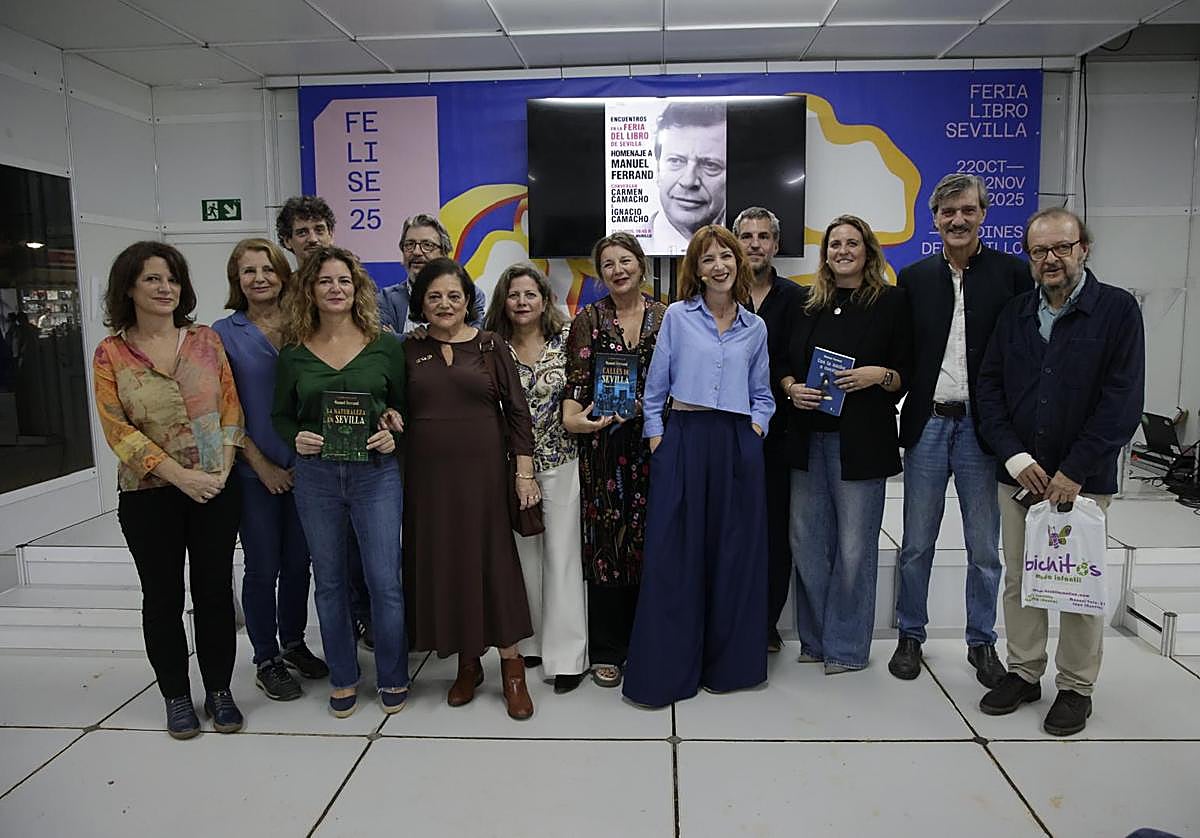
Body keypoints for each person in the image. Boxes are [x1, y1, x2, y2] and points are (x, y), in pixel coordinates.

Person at [976, 208, 1144, 736]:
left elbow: (1122, 402)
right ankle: (1024, 672)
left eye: (1061, 248)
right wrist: (1016, 458)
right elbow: (990, 390)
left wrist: (1075, 469)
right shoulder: (1016, 313)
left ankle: (1075, 687)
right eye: (1038, 251)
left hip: (1083, 483)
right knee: (1021, 580)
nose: (1049, 259)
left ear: (1083, 249)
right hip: (1021, 478)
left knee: (1077, 585)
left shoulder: (1116, 311)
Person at [92, 241, 245, 739]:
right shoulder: (111, 352)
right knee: (162, 597)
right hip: (148, 495)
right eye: (153, 279)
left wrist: (220, 471)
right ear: (129, 288)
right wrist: (182, 477)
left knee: (215, 593)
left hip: (215, 489)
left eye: (173, 279)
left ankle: (219, 690)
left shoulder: (204, 340)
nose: (165, 288)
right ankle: (176, 696)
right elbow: (118, 430)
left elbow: (229, 408)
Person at [890, 173, 1032, 688]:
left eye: (967, 210)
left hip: (983, 429)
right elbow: (901, 350)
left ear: (982, 215)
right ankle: (910, 635)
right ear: (934, 219)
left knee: (984, 547)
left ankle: (982, 642)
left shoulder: (1013, 274)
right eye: (948, 212)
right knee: (916, 543)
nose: (958, 220)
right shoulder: (914, 278)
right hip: (928, 422)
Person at [623, 224, 773, 707]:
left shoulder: (756, 327)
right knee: (676, 557)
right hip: (684, 439)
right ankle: (668, 671)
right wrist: (658, 441)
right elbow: (655, 388)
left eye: (726, 256)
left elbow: (763, 395)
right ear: (697, 268)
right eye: (708, 259)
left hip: (735, 442)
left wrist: (754, 432)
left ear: (739, 262)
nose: (719, 266)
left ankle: (729, 667)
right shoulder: (677, 319)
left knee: (732, 557)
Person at [271, 245, 409, 718]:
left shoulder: (386, 345)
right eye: (326, 281)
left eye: (345, 281)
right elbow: (280, 416)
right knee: (328, 582)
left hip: (376, 475)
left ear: (358, 289)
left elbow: (403, 408)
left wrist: (394, 427)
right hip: (317, 477)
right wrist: (298, 439)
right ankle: (344, 676)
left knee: (383, 581)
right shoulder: (293, 351)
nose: (336, 289)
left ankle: (392, 674)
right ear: (309, 289)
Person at [776, 216, 912, 675]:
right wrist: (793, 387)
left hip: (862, 444)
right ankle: (815, 640)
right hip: (806, 440)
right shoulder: (806, 305)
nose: (843, 250)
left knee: (855, 549)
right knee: (807, 543)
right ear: (825, 253)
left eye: (852, 243)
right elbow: (782, 366)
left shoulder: (892, 303)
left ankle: (848, 647)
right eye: (835, 243)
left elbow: (905, 374)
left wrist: (879, 375)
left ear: (868, 251)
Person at [403, 257, 536, 720]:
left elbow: (518, 413)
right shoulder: (407, 349)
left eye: (453, 295)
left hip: (483, 479)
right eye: (434, 296)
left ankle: (512, 667)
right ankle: (467, 663)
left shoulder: (490, 344)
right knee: (449, 567)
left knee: (493, 566)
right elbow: (394, 407)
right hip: (428, 483)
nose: (444, 304)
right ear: (421, 302)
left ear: (468, 301)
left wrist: (524, 473)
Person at [213, 239, 328, 702]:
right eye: (248, 271)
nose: (259, 278)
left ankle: (294, 642)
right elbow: (221, 410)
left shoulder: (307, 326)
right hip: (253, 471)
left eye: (267, 269)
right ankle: (265, 657)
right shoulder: (223, 333)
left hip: (308, 468)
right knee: (263, 565)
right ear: (236, 280)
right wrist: (260, 465)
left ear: (283, 274)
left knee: (300, 563)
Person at [563, 232, 668, 689]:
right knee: (607, 544)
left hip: (655, 446)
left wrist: (646, 410)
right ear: (599, 273)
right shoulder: (587, 319)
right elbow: (576, 385)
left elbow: (681, 381)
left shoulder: (670, 317)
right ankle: (607, 648)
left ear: (641, 265)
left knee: (653, 542)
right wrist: (576, 418)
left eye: (626, 261)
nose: (618, 270)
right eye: (608, 264)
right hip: (603, 449)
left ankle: (648, 641)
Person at [484, 262, 589, 694]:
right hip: (509, 470)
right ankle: (529, 644)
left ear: (545, 300)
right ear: (502, 302)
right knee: (522, 558)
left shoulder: (567, 341)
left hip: (562, 462)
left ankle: (567, 658)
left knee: (562, 559)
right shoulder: (490, 347)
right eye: (514, 295)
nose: (522, 302)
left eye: (530, 294)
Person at [275, 195, 374, 652]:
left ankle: (367, 626)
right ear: (288, 241)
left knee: (363, 556)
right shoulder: (279, 303)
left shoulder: (358, 291)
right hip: (301, 457)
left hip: (363, 458)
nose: (312, 239)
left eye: (319, 230)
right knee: (306, 561)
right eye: (302, 232)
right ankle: (295, 646)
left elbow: (385, 371)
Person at [734, 206, 805, 653]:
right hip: (724, 433)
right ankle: (728, 616)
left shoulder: (799, 299)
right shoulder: (716, 297)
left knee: (776, 531)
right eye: (746, 236)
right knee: (731, 529)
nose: (755, 244)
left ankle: (765, 623)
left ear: (776, 245)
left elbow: (802, 361)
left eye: (764, 236)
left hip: (780, 436)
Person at [641, 102, 727, 255]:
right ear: (657, 168)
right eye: (675, 161)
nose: (688, 181)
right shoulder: (631, 248)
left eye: (710, 165)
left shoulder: (743, 249)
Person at [377, 213, 486, 334]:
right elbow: (384, 343)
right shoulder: (386, 298)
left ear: (444, 253)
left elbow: (475, 340)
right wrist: (410, 339)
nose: (417, 252)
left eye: (427, 245)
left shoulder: (469, 294)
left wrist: (409, 339)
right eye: (409, 245)